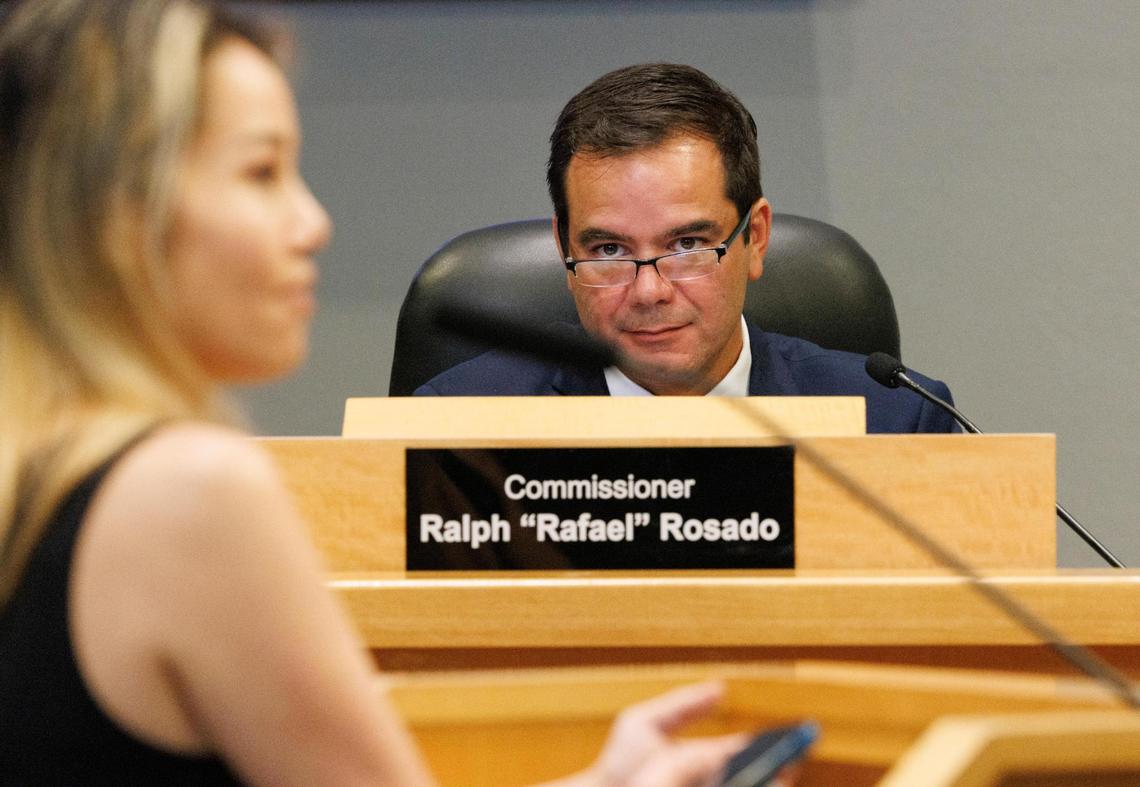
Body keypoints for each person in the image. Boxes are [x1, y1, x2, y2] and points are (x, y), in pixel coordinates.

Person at [0, 3, 767, 784]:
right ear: (121, 214)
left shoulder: (37, 463)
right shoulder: (192, 490)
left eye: (687, 245)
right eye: (262, 173)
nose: (313, 223)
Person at [414, 63, 956, 435]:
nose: (649, 291)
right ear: (564, 249)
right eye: (609, 250)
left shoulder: (894, 421)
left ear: (755, 237)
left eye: (688, 244)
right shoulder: (455, 427)